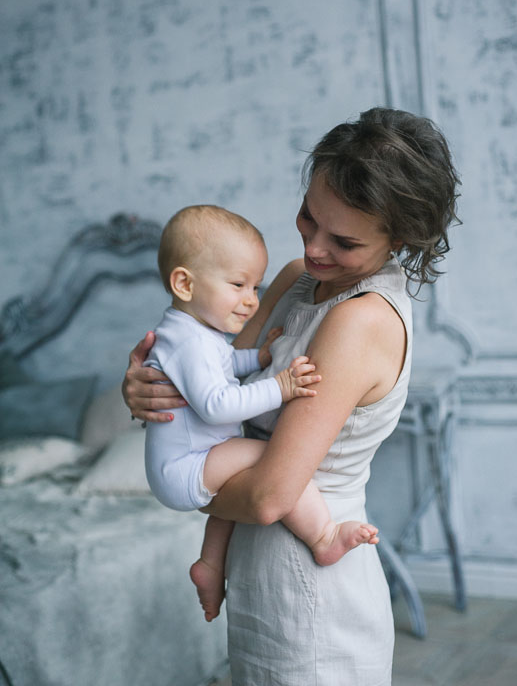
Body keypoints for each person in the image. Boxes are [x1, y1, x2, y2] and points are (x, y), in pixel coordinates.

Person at [123, 107, 460, 686]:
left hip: (312, 588)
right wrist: (145, 390)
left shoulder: (360, 321)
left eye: (344, 241)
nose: (316, 249)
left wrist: (179, 484)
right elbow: (216, 389)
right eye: (309, 217)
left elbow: (267, 498)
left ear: (398, 238)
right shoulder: (295, 278)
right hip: (255, 572)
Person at [143, 204, 379, 622]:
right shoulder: (189, 342)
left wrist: (257, 358)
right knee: (270, 458)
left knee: (241, 468)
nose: (251, 301)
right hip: (185, 467)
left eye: (255, 287)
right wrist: (279, 386)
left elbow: (223, 364)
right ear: (184, 283)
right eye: (238, 285)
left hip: (189, 461)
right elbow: (216, 405)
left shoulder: (194, 332)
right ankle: (323, 536)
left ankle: (210, 564)